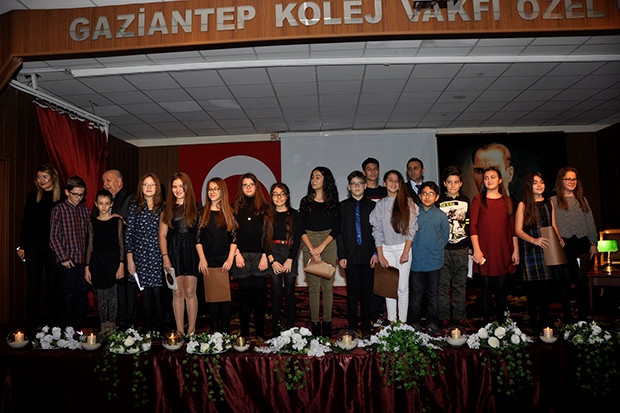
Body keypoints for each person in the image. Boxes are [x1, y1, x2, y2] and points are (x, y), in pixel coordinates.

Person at [515, 172, 565, 330]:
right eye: (535, 182)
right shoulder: (523, 204)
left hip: (547, 248)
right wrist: (534, 240)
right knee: (532, 290)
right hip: (530, 249)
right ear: (529, 186)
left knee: (546, 288)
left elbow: (553, 224)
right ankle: (533, 322)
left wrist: (559, 238)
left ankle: (544, 320)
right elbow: (518, 230)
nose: (539, 185)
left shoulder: (549, 203)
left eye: (541, 182)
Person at [470, 166, 519, 325]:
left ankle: (502, 323)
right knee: (485, 288)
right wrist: (476, 250)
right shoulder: (478, 200)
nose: (489, 180)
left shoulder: (508, 201)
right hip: (484, 251)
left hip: (503, 250)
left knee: (502, 289)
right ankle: (486, 324)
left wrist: (516, 250)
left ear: (500, 180)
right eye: (486, 178)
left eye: (492, 177)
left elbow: (512, 228)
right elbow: (473, 227)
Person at [369, 170, 418, 324]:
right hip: (386, 249)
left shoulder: (407, 202)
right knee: (389, 287)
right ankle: (392, 322)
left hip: (403, 248)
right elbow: (377, 231)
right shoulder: (380, 205)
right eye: (390, 180)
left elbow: (411, 229)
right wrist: (381, 254)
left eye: (397, 181)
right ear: (384, 183)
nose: (393, 183)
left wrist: (406, 252)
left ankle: (402, 322)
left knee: (402, 288)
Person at [17, 163, 63, 328]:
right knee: (34, 283)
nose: (41, 180)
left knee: (52, 282)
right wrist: (21, 246)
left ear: (53, 177)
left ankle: (52, 323)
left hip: (52, 246)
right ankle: (31, 322)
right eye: (38, 177)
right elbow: (26, 222)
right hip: (33, 246)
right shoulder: (32, 197)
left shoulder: (61, 199)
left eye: (45, 176)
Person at [551, 167, 598, 321]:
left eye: (574, 179)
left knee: (581, 282)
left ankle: (583, 317)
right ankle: (567, 317)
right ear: (561, 181)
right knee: (565, 282)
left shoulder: (582, 200)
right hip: (564, 245)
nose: (571, 182)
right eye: (568, 179)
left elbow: (590, 223)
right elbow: (551, 224)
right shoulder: (553, 201)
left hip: (583, 244)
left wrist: (593, 243)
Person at [299, 166, 340, 338]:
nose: (314, 180)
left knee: (328, 288)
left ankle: (327, 325)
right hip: (309, 242)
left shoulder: (333, 202)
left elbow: (337, 227)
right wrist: (312, 249)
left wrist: (321, 247)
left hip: (328, 243)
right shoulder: (305, 201)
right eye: (312, 177)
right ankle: (315, 325)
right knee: (314, 288)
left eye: (317, 177)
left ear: (325, 180)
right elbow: (300, 227)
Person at [337, 171, 377, 338]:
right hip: (350, 256)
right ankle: (352, 326)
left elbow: (377, 231)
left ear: (365, 185)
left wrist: (376, 252)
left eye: (360, 183)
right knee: (352, 292)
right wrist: (341, 255)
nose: (357, 186)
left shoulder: (373, 206)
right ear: (349, 187)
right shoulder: (342, 207)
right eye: (354, 183)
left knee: (367, 291)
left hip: (369, 255)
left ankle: (367, 327)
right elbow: (339, 233)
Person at [159, 172, 201, 336]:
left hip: (191, 251)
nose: (177, 189)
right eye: (174, 186)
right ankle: (179, 331)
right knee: (177, 292)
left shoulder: (197, 208)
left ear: (187, 187)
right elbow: (162, 236)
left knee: (190, 291)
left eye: (180, 186)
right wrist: (165, 257)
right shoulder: (167, 209)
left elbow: (200, 235)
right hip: (173, 252)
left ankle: (191, 330)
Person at [94, 169, 136, 330]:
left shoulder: (131, 198)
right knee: (111, 289)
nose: (105, 184)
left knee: (127, 289)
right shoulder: (102, 198)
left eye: (108, 180)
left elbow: (134, 223)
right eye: (103, 181)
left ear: (119, 181)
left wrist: (121, 220)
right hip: (106, 254)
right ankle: (113, 322)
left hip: (126, 252)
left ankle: (128, 323)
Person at [231, 173, 270, 339]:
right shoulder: (234, 207)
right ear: (241, 187)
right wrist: (237, 254)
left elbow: (269, 234)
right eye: (245, 185)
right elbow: (231, 233)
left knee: (259, 296)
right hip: (241, 256)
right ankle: (245, 333)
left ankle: (260, 332)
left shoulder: (266, 207)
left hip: (260, 257)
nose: (248, 187)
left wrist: (265, 255)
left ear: (256, 187)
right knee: (244, 296)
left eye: (251, 184)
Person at [196, 177, 237, 334]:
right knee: (212, 299)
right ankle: (214, 332)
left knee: (225, 299)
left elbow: (234, 238)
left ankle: (225, 332)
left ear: (222, 191)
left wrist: (230, 258)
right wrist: (202, 259)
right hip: (208, 261)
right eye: (210, 189)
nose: (212, 192)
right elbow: (198, 239)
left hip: (225, 261)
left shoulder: (229, 212)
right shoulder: (203, 212)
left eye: (215, 189)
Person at [126, 173, 165, 332]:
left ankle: (158, 329)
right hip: (140, 256)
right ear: (141, 187)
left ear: (157, 188)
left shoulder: (163, 207)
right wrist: (130, 259)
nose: (149, 187)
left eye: (152, 184)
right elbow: (129, 234)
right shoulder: (134, 207)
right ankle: (148, 329)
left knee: (158, 293)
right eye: (145, 184)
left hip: (157, 255)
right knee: (145, 294)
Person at [49, 175, 90, 328]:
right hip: (67, 260)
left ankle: (80, 328)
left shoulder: (84, 211)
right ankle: (67, 329)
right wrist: (63, 258)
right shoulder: (58, 210)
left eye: (81, 194)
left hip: (82, 259)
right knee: (68, 294)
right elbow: (53, 237)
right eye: (75, 194)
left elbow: (88, 237)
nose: (79, 198)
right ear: (67, 192)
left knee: (82, 294)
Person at [409, 181, 449, 334]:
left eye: (431, 194)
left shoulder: (441, 216)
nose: (427, 196)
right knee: (416, 295)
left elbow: (444, 237)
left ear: (437, 197)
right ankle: (414, 322)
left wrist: (435, 251)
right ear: (419, 196)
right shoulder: (413, 213)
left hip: (434, 262)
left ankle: (432, 322)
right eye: (424, 193)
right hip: (416, 262)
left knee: (432, 295)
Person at [84, 189, 125, 332]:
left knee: (112, 294)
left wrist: (121, 264)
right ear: (96, 204)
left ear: (111, 204)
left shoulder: (117, 221)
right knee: (101, 295)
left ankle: (112, 325)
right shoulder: (92, 222)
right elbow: (90, 245)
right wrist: (87, 266)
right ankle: (103, 325)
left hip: (113, 260)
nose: (103, 206)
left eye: (107, 203)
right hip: (97, 261)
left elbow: (121, 244)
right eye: (101, 203)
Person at [264, 182, 302, 335]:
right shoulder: (267, 215)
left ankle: (290, 326)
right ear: (271, 197)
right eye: (275, 194)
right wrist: (272, 260)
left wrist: (290, 258)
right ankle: (276, 327)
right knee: (276, 292)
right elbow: (264, 239)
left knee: (290, 291)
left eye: (282, 194)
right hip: (273, 252)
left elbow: (298, 238)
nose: (278, 197)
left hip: (289, 251)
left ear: (287, 196)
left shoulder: (295, 214)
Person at [438, 166, 470, 327]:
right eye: (449, 182)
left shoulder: (466, 201)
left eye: (456, 182)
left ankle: (459, 315)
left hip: (462, 249)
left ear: (461, 183)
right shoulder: (438, 201)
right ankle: (443, 315)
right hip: (444, 249)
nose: (452, 185)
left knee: (460, 285)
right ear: (444, 183)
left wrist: (470, 246)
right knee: (442, 285)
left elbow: (469, 223)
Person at [361, 157, 389, 328]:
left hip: (386, 242)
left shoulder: (385, 192)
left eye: (375, 168)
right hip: (366, 243)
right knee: (369, 282)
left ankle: (384, 314)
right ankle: (372, 315)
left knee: (384, 280)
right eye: (369, 169)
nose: (372, 172)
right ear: (364, 172)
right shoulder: (361, 193)